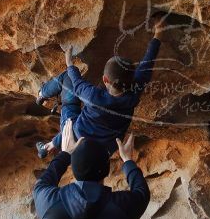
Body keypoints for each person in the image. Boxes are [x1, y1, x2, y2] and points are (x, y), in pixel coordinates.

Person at [35, 14, 166, 158]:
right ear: (132, 78)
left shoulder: (94, 96)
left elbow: (77, 83)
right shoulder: (135, 91)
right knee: (79, 127)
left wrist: (69, 63)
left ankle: (42, 94)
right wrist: (159, 32)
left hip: (78, 135)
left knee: (68, 91)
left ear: (105, 80)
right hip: (103, 148)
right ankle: (50, 145)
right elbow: (148, 62)